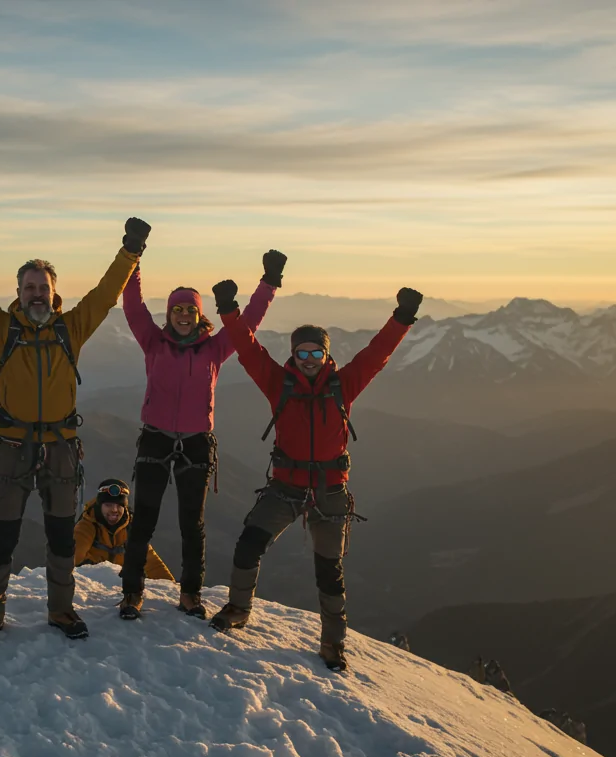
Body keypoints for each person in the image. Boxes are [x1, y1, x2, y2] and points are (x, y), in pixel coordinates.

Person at [0, 210, 143, 644]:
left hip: (61, 447)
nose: (37, 294)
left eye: (43, 288)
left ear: (54, 292)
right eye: (30, 288)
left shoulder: (71, 328)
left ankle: (62, 611)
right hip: (11, 445)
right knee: (2, 534)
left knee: (62, 534)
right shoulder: (2, 328)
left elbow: (104, 295)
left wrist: (130, 252)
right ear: (19, 293)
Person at [207, 277, 423, 672]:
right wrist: (228, 310)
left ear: (326, 356)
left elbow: (376, 354)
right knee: (249, 543)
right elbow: (247, 348)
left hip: (329, 490)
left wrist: (402, 318)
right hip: (286, 486)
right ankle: (239, 609)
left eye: (316, 353)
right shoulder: (279, 383)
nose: (308, 359)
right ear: (293, 355)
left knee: (329, 568)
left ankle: (333, 643)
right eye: (302, 353)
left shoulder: (344, 385)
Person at [118, 250, 283, 621]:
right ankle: (132, 592)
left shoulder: (215, 347)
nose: (182, 315)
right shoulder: (153, 342)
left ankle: (190, 593)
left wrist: (269, 282)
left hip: (195, 442)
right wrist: (133, 259)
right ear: (169, 314)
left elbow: (248, 324)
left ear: (198, 314)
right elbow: (133, 307)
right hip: (156, 438)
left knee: (192, 523)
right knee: (143, 518)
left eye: (189, 310)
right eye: (177, 310)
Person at [74, 478, 174, 584]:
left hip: (119, 586)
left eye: (119, 505)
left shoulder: (130, 527)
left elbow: (151, 563)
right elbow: (73, 558)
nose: (114, 510)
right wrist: (95, 568)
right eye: (108, 505)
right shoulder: (87, 524)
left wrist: (172, 587)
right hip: (92, 585)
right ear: (100, 505)